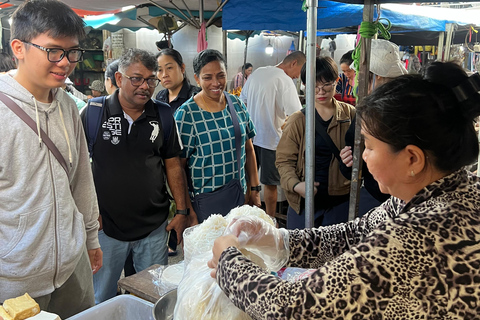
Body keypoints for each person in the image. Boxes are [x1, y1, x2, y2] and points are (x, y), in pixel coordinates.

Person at [208, 61, 480, 319]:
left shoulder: (421, 234)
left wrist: (228, 262)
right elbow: (358, 233)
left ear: (412, 159)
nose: (362, 157)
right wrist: (279, 240)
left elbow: (295, 308)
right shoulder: (439, 192)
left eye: (370, 147)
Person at [0, 0, 102, 318]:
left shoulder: (68, 106)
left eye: (72, 52)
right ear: (19, 47)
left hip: (73, 268)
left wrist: (90, 237)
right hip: (16, 281)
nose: (66, 62)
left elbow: (81, 179)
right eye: (54, 51)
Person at [81, 48, 190, 304]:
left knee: (154, 296)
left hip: (152, 227)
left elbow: (173, 163)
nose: (145, 86)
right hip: (105, 228)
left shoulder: (163, 115)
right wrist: (86, 214)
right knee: (101, 297)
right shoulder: (94, 113)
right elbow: (77, 169)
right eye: (137, 79)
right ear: (119, 79)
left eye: (151, 79)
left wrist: (182, 211)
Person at [174, 49, 261, 223]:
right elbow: (179, 168)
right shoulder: (186, 114)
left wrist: (255, 189)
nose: (216, 83)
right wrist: (187, 211)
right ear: (197, 79)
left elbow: (248, 148)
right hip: (205, 203)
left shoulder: (236, 104)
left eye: (220, 75)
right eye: (207, 77)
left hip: (239, 198)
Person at [276, 56, 355, 229]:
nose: (321, 91)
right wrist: (297, 185)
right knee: (301, 252)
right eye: (314, 86)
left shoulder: (350, 115)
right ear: (305, 85)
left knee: (335, 253)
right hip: (304, 204)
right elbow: (283, 161)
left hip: (340, 203)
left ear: (336, 81)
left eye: (326, 84)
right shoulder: (297, 121)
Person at [340, 39, 408, 214]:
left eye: (357, 75)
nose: (354, 81)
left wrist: (351, 162)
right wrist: (349, 161)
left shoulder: (375, 111)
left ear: (375, 76)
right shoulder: (410, 101)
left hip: (382, 198)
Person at [240, 51, 305, 218]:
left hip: (250, 140)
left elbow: (242, 101)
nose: (298, 77)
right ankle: (270, 220)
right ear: (294, 63)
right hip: (271, 139)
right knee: (270, 184)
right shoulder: (285, 80)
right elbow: (296, 115)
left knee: (249, 181)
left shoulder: (258, 73)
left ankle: (246, 217)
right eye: (299, 71)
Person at [155, 48, 199, 113]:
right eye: (160, 70)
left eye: (169, 68)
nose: (164, 75)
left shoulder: (196, 96)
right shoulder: (160, 97)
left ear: (182, 68)